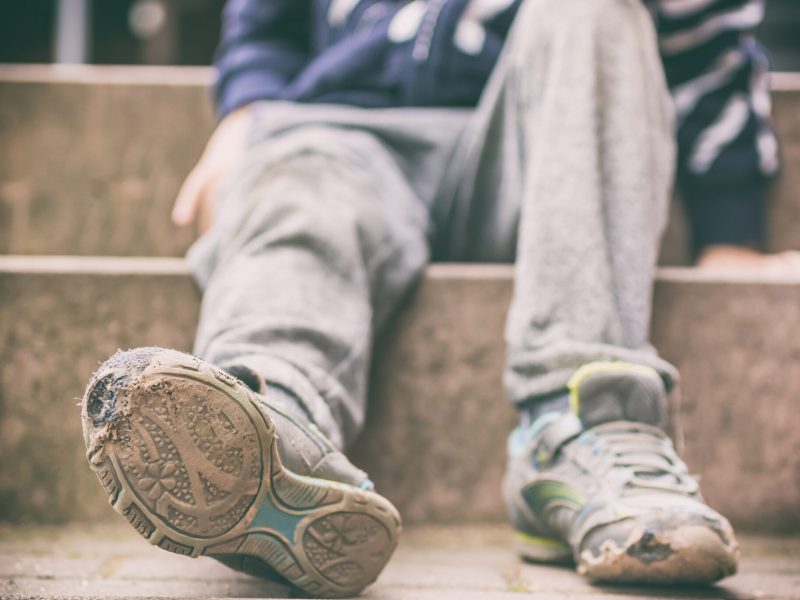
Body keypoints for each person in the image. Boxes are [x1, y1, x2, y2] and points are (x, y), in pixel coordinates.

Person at [80, 0, 778, 596]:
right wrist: (250, 107)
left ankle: (584, 420)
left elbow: (706, 38)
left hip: (537, 141)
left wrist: (732, 228)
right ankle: (267, 419)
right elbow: (267, 18)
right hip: (344, 127)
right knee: (299, 198)